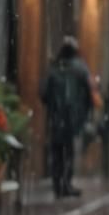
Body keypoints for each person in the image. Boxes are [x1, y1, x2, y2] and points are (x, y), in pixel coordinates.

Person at [39, 36, 93, 198]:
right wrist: (85, 111)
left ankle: (58, 184)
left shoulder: (54, 68)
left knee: (57, 152)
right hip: (73, 118)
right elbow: (89, 93)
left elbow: (44, 93)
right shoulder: (81, 68)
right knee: (68, 151)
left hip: (56, 117)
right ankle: (66, 183)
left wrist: (52, 107)